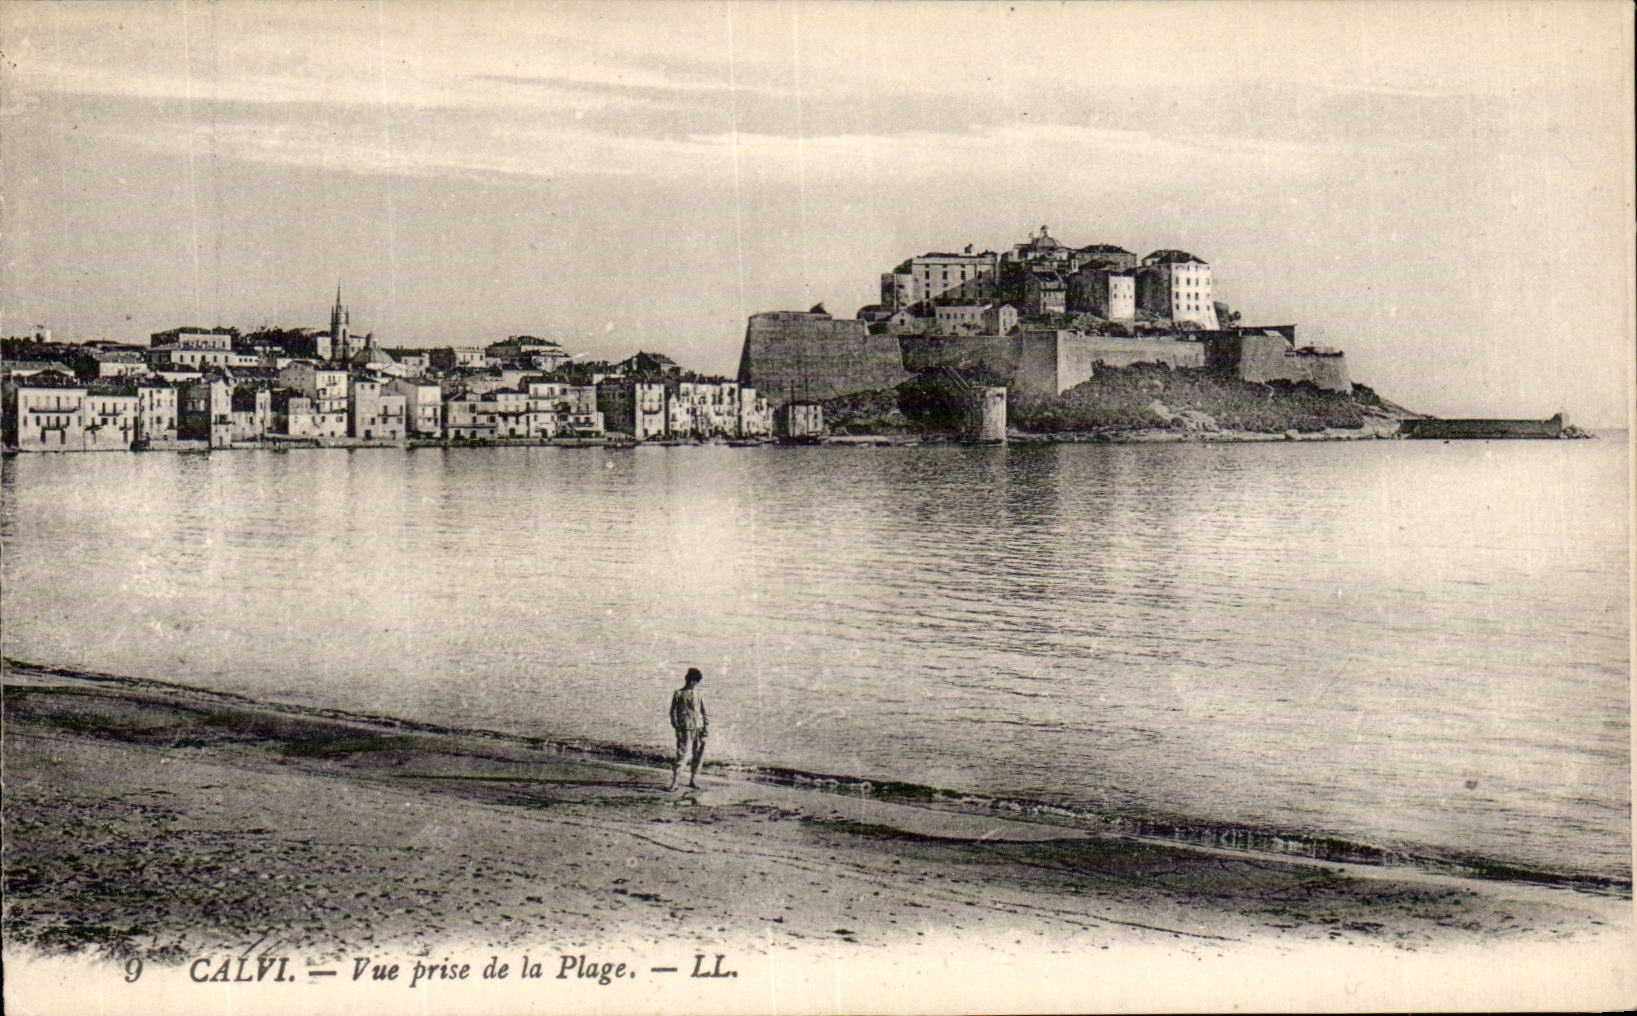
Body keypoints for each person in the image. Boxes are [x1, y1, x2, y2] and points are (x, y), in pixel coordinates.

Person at [667, 667, 708, 790]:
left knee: (698, 754)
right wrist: (676, 726)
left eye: (696, 681)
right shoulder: (678, 693)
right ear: (689, 680)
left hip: (698, 727)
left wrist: (706, 725)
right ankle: (675, 782)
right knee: (682, 754)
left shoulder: (699, 694)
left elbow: (704, 711)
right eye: (693, 680)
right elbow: (672, 712)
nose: (694, 683)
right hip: (684, 728)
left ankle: (693, 780)